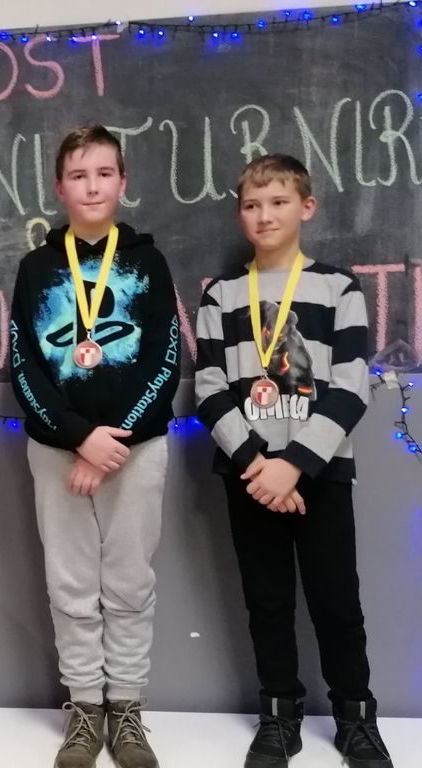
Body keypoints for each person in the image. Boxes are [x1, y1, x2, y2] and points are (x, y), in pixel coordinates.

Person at [195, 153, 393, 768]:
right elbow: (208, 388)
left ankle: (356, 720)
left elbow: (352, 385)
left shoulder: (339, 288)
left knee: (337, 601)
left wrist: (296, 464)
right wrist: (258, 463)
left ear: (306, 207)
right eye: (252, 205)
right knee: (268, 602)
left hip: (320, 475)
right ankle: (280, 717)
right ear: (239, 215)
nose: (265, 215)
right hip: (250, 478)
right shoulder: (221, 295)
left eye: (279, 202)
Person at [10, 125, 180, 768]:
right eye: (78, 176)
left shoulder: (149, 263)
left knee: (130, 582)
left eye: (104, 173)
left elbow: (167, 358)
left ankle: (126, 708)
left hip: (137, 450)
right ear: (60, 188)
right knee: (71, 584)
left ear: (122, 182)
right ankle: (84, 707)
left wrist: (116, 439)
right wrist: (80, 437)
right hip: (58, 451)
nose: (92, 186)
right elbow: (24, 366)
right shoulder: (35, 269)